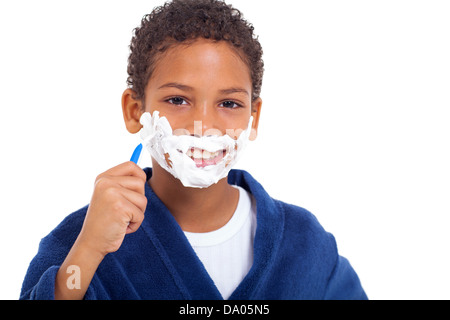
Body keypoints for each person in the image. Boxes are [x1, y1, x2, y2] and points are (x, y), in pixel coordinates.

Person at [20, 0, 367, 300]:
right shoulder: (82, 239)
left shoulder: (304, 244)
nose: (204, 124)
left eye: (229, 103)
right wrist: (88, 250)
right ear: (134, 111)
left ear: (253, 116)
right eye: (177, 100)